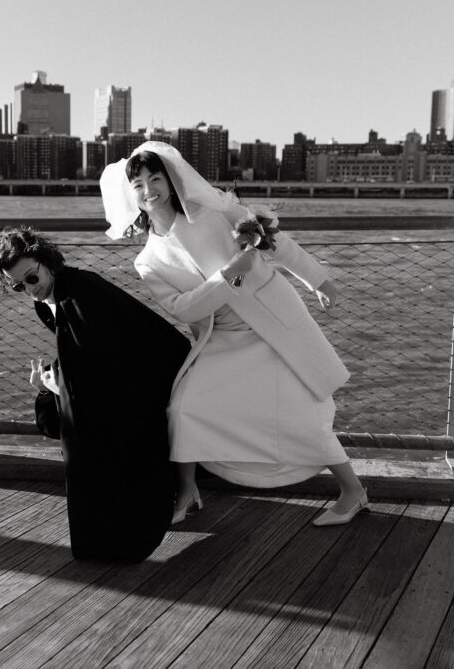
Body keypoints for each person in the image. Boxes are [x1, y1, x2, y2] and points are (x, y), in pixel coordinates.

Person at [100, 141, 368, 527]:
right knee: (185, 408)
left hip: (270, 323)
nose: (148, 189)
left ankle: (353, 491)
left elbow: (276, 241)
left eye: (155, 178)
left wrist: (320, 281)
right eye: (138, 184)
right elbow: (184, 309)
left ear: (171, 181)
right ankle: (188, 491)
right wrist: (231, 273)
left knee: (302, 412)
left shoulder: (215, 212)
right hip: (221, 337)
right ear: (131, 195)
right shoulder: (148, 260)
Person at [0, 226, 191, 561]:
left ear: (48, 261)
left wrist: (56, 388)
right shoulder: (50, 299)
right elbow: (85, 355)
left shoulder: (79, 295)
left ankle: (119, 541)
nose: (29, 290)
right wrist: (55, 386)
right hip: (103, 392)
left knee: (98, 462)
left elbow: (111, 356)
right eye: (19, 286)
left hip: (125, 391)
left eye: (32, 278)